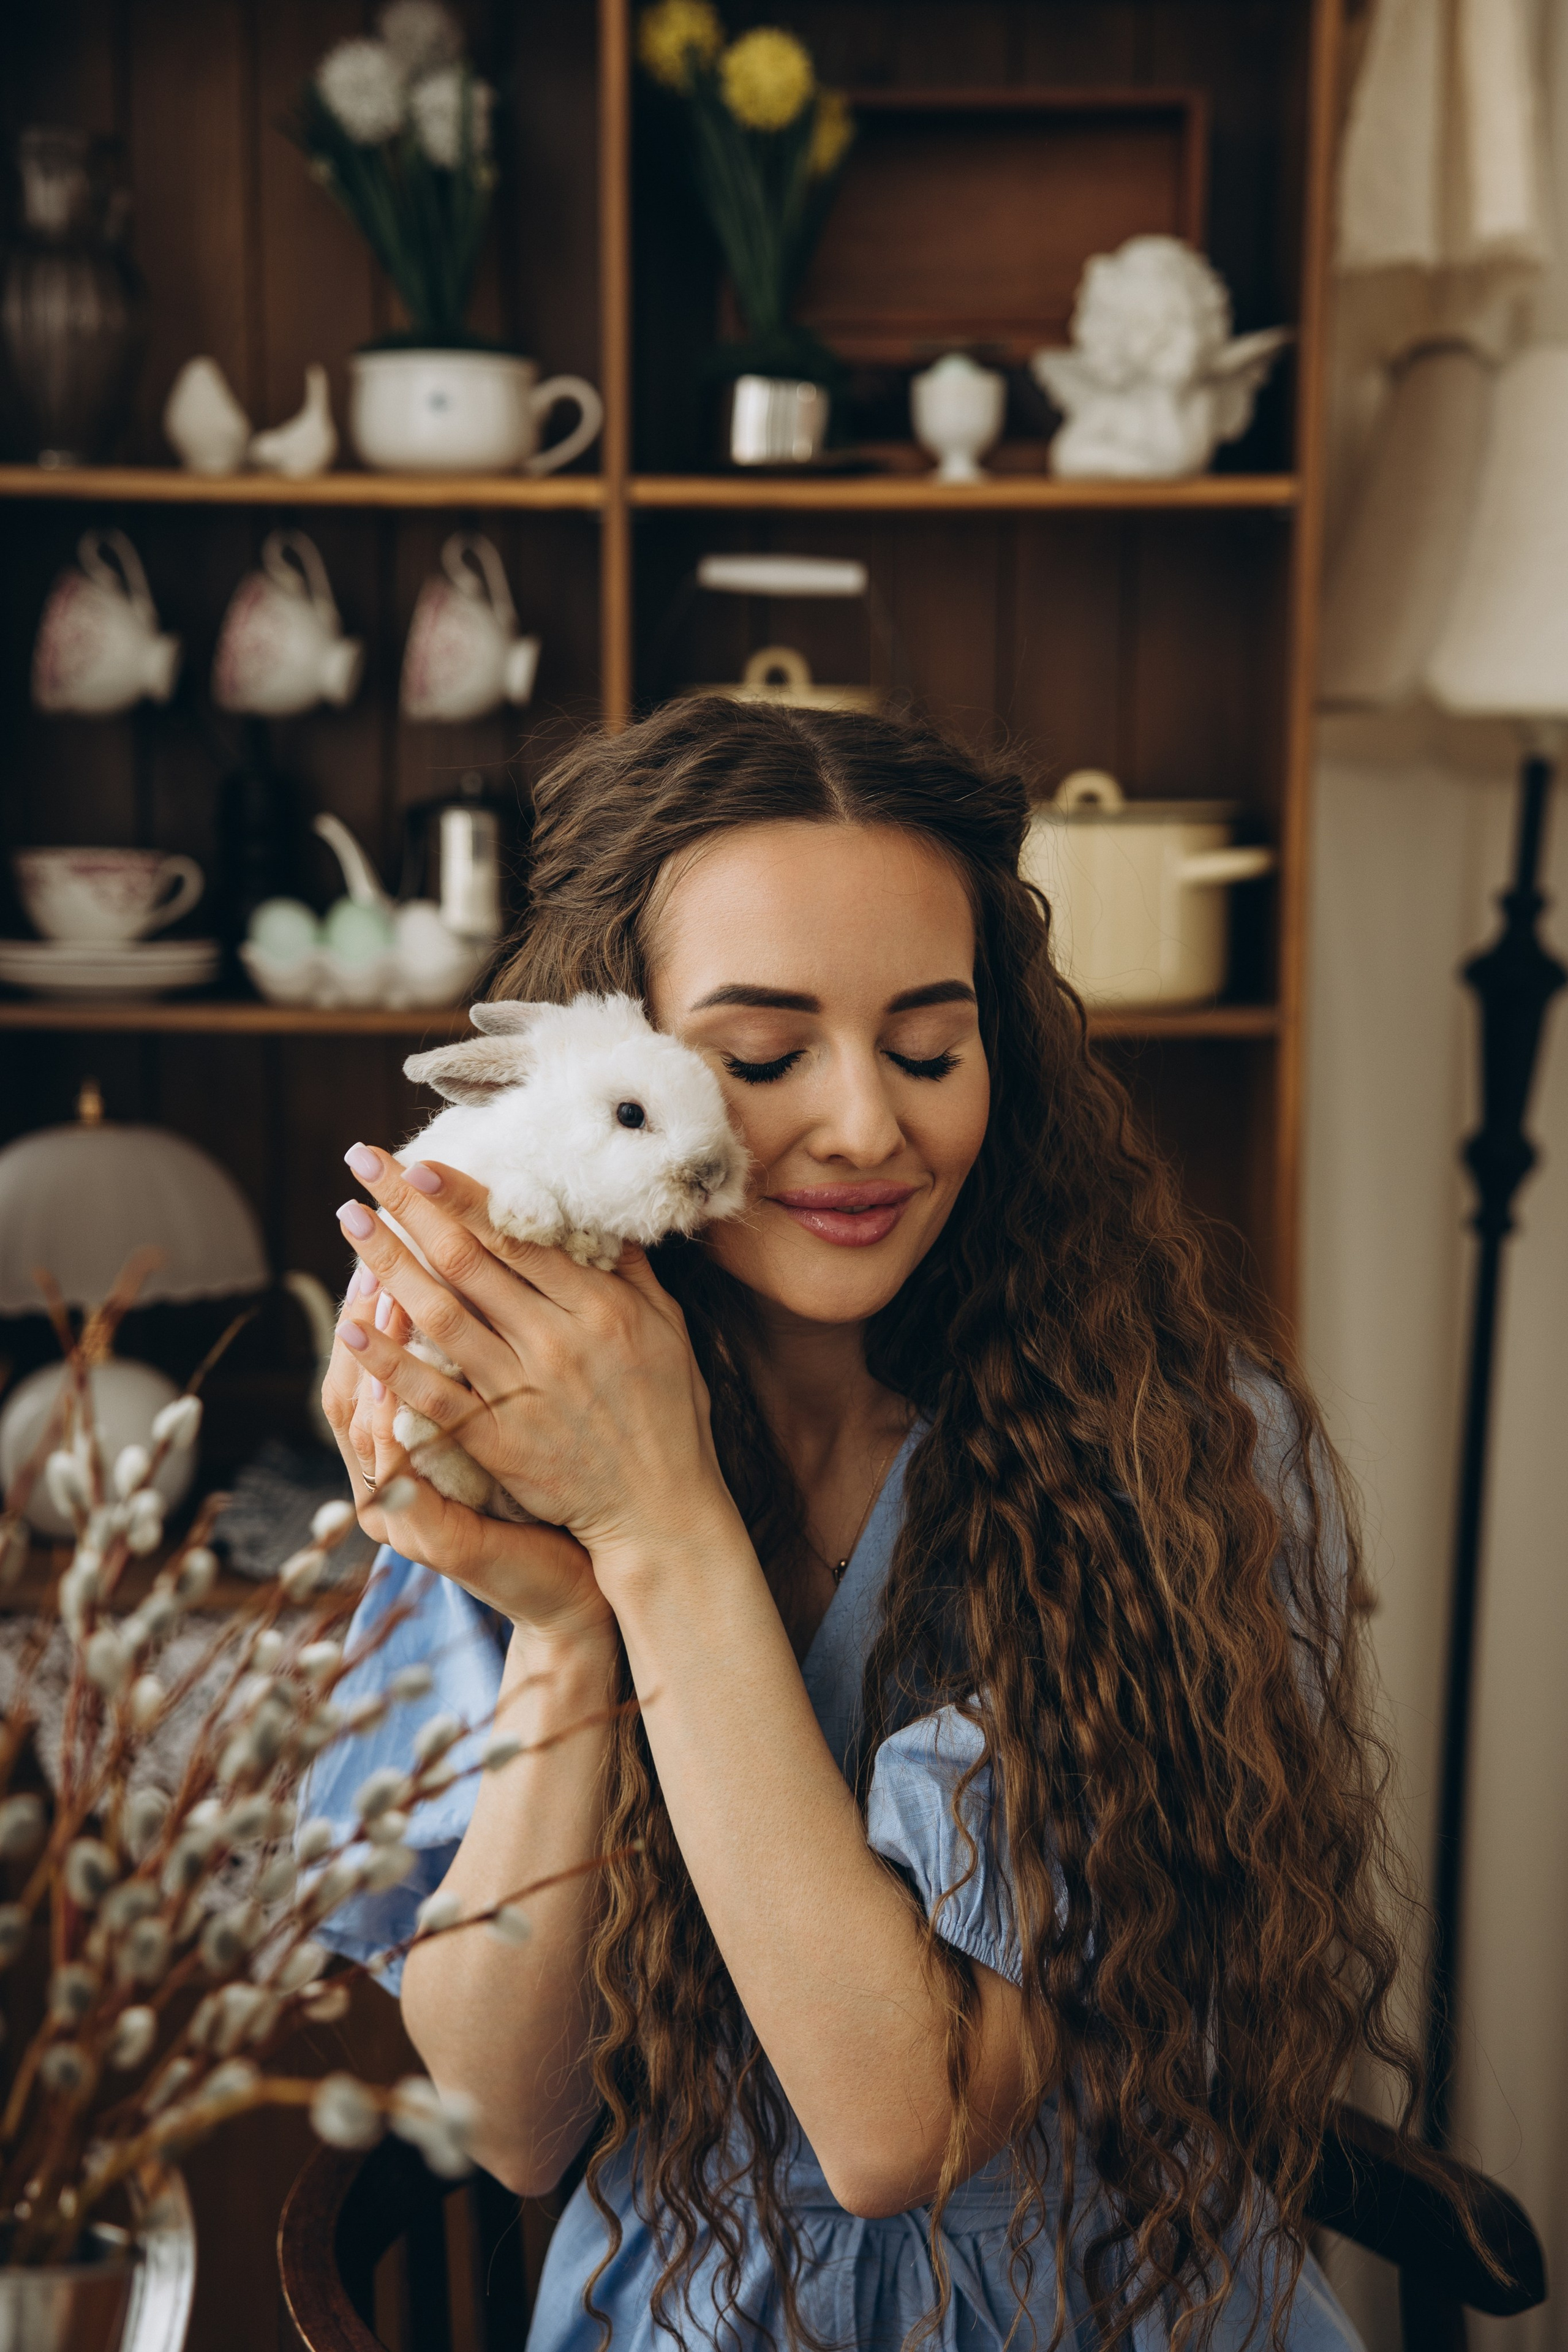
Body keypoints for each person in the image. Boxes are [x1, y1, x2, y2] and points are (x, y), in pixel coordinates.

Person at [311, 701, 1412, 2352]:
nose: (864, 1128)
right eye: (760, 1061)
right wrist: (566, 1625)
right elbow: (511, 2121)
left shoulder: (1175, 1457)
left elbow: (905, 2124)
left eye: (928, 1049)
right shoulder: (517, 1437)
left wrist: (660, 1528)